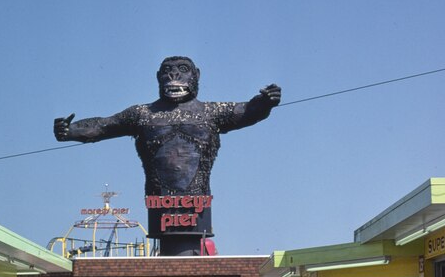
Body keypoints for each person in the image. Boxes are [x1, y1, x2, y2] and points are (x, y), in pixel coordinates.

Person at [54, 57, 281, 254]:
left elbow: (250, 110)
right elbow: (104, 126)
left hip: (197, 205)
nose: (173, 75)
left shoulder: (211, 112)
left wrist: (266, 102)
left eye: (182, 69)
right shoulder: (143, 114)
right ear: (158, 77)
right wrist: (70, 131)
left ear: (196, 75)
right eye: (167, 71)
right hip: (160, 205)